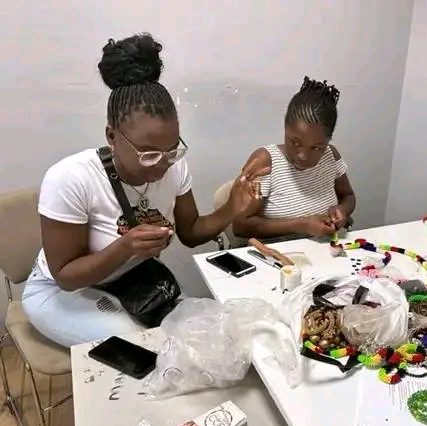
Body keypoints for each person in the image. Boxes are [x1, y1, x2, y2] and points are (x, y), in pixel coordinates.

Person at [21, 34, 267, 347]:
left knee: (205, 333)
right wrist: (124, 247)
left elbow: (191, 232)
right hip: (61, 292)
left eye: (172, 150)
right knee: (147, 346)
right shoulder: (71, 179)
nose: (162, 164)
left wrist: (232, 207)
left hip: (132, 280)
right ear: (112, 136)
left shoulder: (174, 166)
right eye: (148, 154)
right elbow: (66, 276)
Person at [233, 77, 356, 241]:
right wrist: (301, 225)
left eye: (316, 148)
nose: (303, 156)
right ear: (285, 127)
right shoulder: (265, 163)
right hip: (277, 255)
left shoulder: (331, 156)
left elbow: (348, 196)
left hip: (327, 251)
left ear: (329, 140)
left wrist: (342, 210)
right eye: (295, 143)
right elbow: (240, 226)